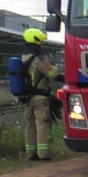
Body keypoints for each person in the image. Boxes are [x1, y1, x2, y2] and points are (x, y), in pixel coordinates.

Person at [20, 28, 60, 161]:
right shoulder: (38, 58)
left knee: (29, 126)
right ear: (36, 41)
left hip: (26, 97)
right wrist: (55, 67)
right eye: (41, 41)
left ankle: (31, 154)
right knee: (42, 125)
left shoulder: (22, 57)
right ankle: (43, 155)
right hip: (40, 98)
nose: (42, 44)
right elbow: (51, 74)